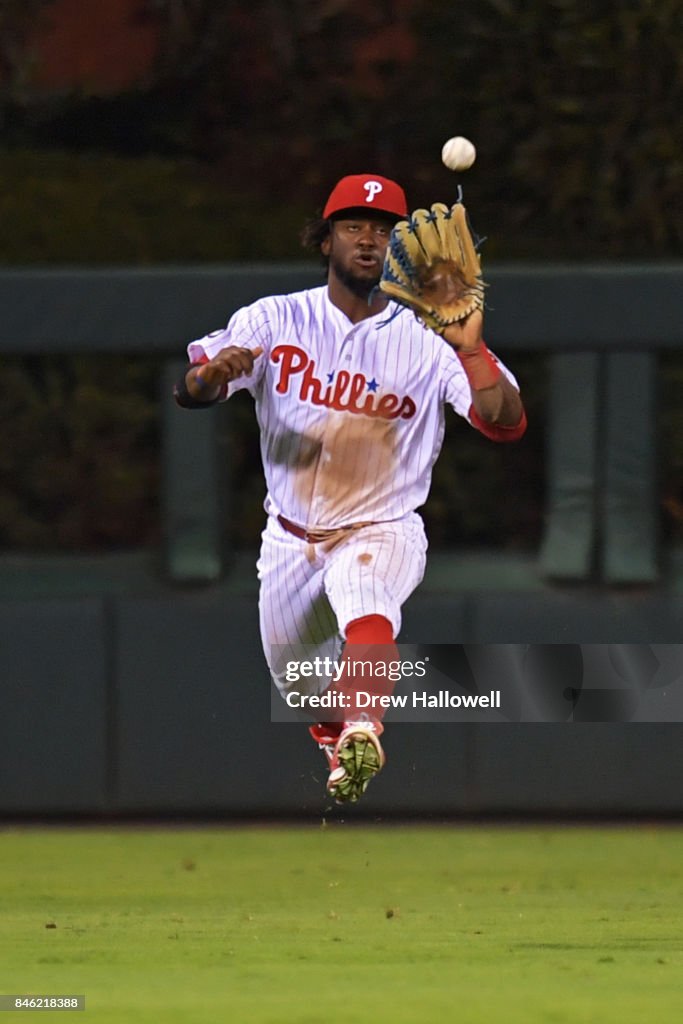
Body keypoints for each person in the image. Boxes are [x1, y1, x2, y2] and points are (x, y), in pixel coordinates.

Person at [173, 173, 527, 804]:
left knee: (365, 595)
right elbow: (191, 391)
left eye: (385, 230)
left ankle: (365, 725)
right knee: (303, 688)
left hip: (382, 525)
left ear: (401, 252)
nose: (368, 240)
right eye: (353, 226)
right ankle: (343, 742)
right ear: (326, 239)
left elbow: (506, 422)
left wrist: (471, 352)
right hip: (288, 539)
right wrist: (210, 376)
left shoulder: (428, 338)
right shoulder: (275, 318)